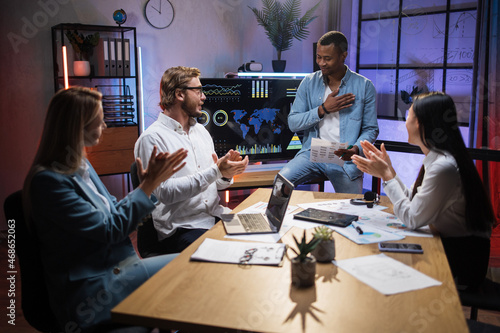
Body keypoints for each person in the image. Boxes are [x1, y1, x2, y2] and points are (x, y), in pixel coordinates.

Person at [23, 87, 188, 332]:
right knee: (187, 273)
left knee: (190, 266)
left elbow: (113, 210)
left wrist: (145, 188)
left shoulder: (81, 165)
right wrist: (147, 186)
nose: (106, 126)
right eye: (100, 121)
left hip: (120, 270)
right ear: (77, 126)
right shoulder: (48, 182)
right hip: (94, 291)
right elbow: (110, 230)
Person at [352, 92, 496, 291]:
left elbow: (412, 218)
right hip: (452, 245)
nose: (405, 122)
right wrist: (389, 170)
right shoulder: (438, 159)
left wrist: (386, 176)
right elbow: (414, 201)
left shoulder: (443, 166)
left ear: (420, 123)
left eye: (409, 115)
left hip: (462, 258)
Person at [134, 66, 249, 254]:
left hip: (215, 216)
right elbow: (165, 193)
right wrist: (216, 171)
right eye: (198, 91)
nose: (203, 97)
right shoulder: (152, 139)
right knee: (230, 253)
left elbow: (215, 184)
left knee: (258, 235)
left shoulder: (201, 132)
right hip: (182, 228)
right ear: (179, 94)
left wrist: (225, 175)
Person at [279, 31, 378, 193]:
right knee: (280, 183)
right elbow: (293, 123)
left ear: (343, 56)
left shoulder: (365, 86)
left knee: (351, 207)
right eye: (319, 57)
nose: (322, 63)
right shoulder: (308, 83)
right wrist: (323, 109)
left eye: (328, 58)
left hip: (344, 157)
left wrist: (355, 149)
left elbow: (371, 129)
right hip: (313, 152)